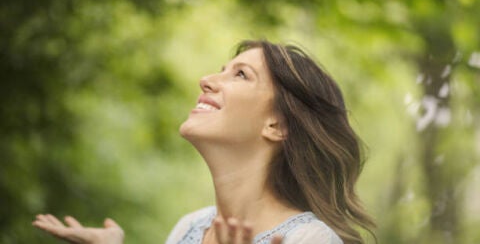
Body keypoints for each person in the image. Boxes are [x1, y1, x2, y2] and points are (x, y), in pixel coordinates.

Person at [33, 40, 375, 244]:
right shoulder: (190, 227)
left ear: (277, 124)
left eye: (240, 74)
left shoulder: (309, 240)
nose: (207, 80)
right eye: (222, 69)